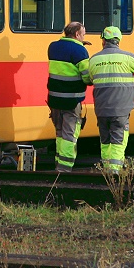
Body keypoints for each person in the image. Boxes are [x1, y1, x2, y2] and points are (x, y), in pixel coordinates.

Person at [82, 26, 134, 171]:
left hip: (101, 109)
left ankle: (106, 169)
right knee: (118, 140)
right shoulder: (127, 58)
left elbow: (88, 79)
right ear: (118, 40)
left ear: (103, 41)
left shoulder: (94, 59)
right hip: (121, 109)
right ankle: (114, 172)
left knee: (105, 140)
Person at [46, 21, 90, 172]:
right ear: (77, 34)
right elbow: (87, 77)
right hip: (71, 100)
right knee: (69, 135)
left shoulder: (53, 46)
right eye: (83, 34)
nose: (84, 37)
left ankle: (58, 164)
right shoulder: (80, 50)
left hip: (54, 99)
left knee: (59, 133)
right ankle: (64, 169)